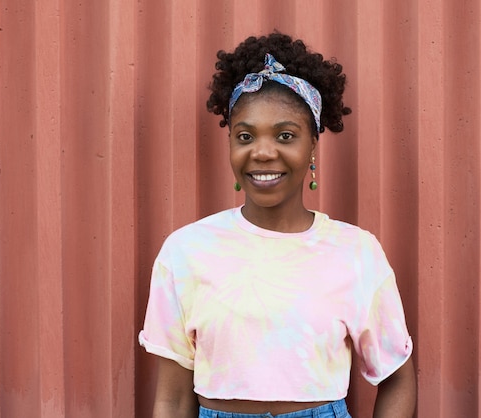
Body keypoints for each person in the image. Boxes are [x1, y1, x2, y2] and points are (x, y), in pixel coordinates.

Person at [139, 32, 416, 418]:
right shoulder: (186, 251)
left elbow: (397, 379)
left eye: (285, 135)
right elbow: (171, 399)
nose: (263, 152)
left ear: (313, 145)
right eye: (245, 136)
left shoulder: (355, 252)